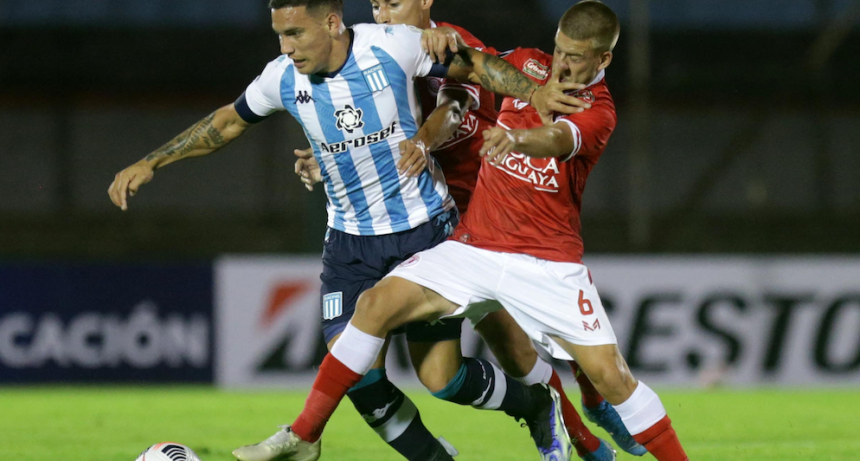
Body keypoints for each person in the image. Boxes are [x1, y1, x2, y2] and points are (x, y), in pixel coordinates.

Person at [108, 1, 589, 461]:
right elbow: (228, 121)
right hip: (349, 244)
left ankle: (534, 405)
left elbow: (475, 67)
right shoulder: (280, 78)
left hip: (422, 231)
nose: (287, 47)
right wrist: (154, 160)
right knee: (356, 375)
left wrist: (534, 92)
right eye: (280, 35)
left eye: (295, 33)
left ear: (333, 23)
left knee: (440, 378)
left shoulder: (391, 46)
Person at [239, 2, 690, 461]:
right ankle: (308, 434)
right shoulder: (374, 57)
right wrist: (331, 157)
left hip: (500, 210)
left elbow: (461, 101)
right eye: (375, 5)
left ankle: (590, 413)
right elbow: (358, 128)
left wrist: (450, 133)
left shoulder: (451, 48)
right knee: (407, 343)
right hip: (461, 226)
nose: (384, 15)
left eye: (394, 4)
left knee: (532, 354)